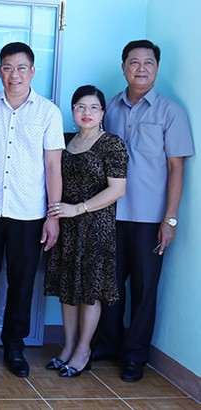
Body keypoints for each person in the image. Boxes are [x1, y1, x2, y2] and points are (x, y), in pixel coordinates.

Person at [0, 41, 64, 378]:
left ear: (32, 72)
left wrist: (52, 216)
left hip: (29, 212)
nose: (13, 74)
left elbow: (52, 167)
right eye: (7, 67)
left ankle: (14, 346)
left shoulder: (48, 112)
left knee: (21, 283)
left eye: (20, 68)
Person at [93, 40, 194, 382]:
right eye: (133, 62)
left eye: (147, 62)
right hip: (111, 213)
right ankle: (108, 343)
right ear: (123, 67)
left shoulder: (170, 111)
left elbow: (176, 168)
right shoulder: (109, 108)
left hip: (151, 218)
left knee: (145, 288)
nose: (140, 68)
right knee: (109, 284)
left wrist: (171, 219)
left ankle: (135, 355)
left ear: (157, 68)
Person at [44, 85, 128, 377]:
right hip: (66, 226)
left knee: (89, 291)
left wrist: (78, 209)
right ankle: (67, 347)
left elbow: (117, 190)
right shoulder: (65, 141)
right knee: (68, 289)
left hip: (95, 226)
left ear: (103, 112)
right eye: (80, 106)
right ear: (73, 110)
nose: (86, 113)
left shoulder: (112, 144)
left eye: (93, 107)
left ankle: (83, 350)